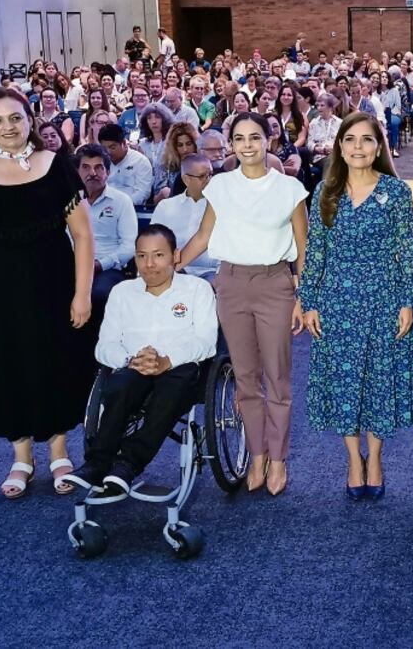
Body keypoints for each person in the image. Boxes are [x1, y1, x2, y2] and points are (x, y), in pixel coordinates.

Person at [0, 89, 96, 499]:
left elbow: (82, 234)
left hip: (53, 279)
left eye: (15, 118)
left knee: (55, 358)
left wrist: (82, 294)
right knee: (5, 362)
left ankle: (60, 450)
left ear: (30, 119)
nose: (7, 127)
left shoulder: (58, 166)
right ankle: (21, 456)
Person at [175, 112, 309, 496]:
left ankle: (279, 458)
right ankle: (257, 455)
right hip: (231, 283)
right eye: (239, 138)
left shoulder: (289, 189)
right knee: (246, 380)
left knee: (277, 379)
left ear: (268, 141)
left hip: (275, 284)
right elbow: (203, 236)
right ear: (230, 144)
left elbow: (304, 248)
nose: (247, 145)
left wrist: (303, 297)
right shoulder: (219, 186)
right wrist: (170, 267)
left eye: (255, 137)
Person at [297, 112, 413, 499]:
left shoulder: (396, 193)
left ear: (378, 146)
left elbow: (406, 251)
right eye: (350, 139)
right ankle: (354, 458)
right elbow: (315, 251)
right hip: (336, 302)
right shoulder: (325, 192)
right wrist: (309, 302)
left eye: (367, 140)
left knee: (380, 380)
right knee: (345, 381)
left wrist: (407, 301)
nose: (358, 147)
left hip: (383, 299)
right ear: (339, 146)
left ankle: (376, 457)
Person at [59, 225, 218, 492]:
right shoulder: (122, 293)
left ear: (175, 256)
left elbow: (206, 341)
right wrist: (131, 359)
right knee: (120, 385)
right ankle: (97, 464)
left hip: (179, 367)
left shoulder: (197, 290)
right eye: (141, 256)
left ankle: (128, 463)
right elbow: (105, 345)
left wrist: (167, 360)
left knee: (174, 385)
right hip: (133, 365)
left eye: (158, 255)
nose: (149, 264)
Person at [74, 143, 138, 328]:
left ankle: (95, 349)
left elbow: (128, 246)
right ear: (77, 172)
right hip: (72, 265)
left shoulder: (121, 201)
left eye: (98, 167)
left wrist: (100, 265)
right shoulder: (69, 200)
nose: (92, 173)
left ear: (108, 172)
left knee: (98, 295)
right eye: (85, 167)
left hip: (108, 268)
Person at [156, 154, 218, 278]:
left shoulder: (220, 205)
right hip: (176, 270)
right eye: (202, 176)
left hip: (212, 271)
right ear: (186, 179)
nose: (209, 180)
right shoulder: (166, 207)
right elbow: (155, 243)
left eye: (210, 175)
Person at [97, 123, 153, 208]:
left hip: (132, 209)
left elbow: (142, 194)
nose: (108, 152)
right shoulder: (101, 162)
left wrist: (119, 206)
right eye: (104, 148)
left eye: (112, 147)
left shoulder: (141, 161)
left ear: (123, 143)